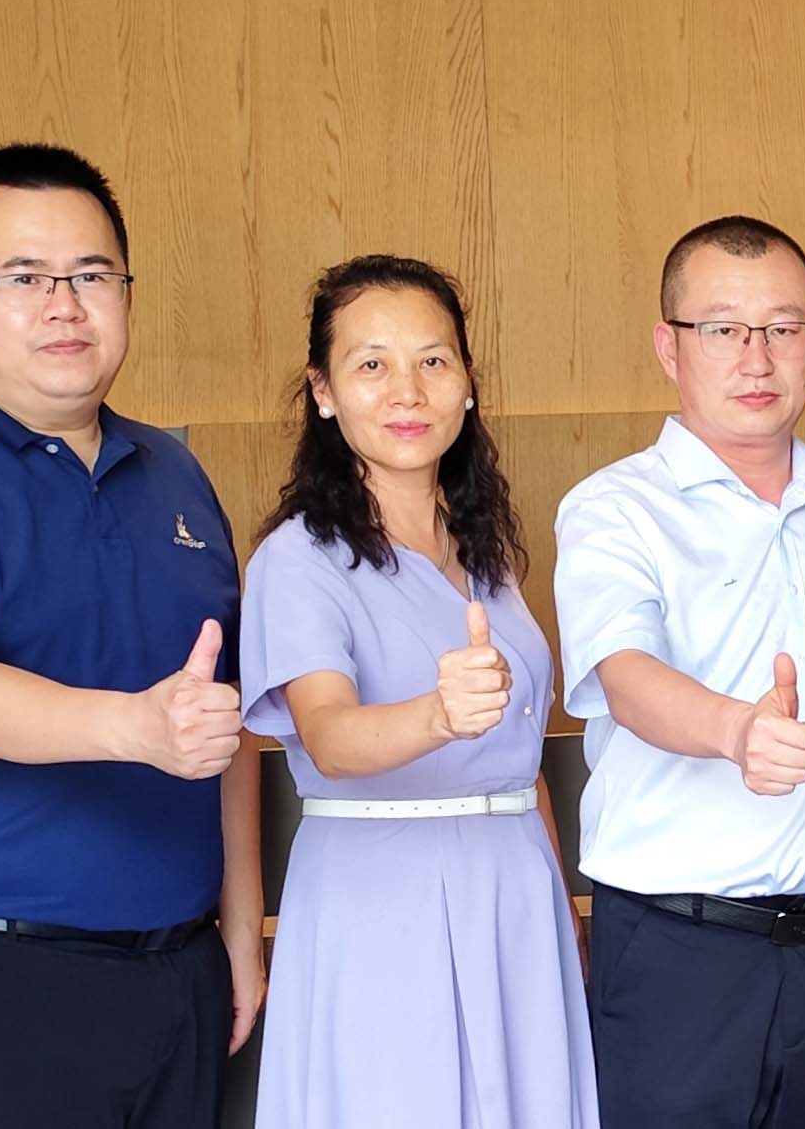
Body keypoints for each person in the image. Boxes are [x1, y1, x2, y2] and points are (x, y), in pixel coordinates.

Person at [0, 143, 264, 1127]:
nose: (64, 306)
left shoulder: (174, 476)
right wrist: (136, 728)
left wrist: (240, 929)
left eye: (92, 276)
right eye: (23, 278)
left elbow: (224, 721)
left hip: (180, 971)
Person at [555, 215, 805, 1127]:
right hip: (683, 952)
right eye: (723, 329)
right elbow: (624, 674)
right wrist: (736, 730)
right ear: (668, 346)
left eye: (783, 328)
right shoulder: (613, 508)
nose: (758, 358)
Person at [237, 255, 598, 1127]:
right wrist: (437, 715)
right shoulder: (298, 559)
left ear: (467, 383)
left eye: (433, 360)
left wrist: (558, 903)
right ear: (323, 391)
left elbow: (520, 761)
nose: (407, 390)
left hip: (514, 890)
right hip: (379, 898)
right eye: (372, 364)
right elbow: (328, 735)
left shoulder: (485, 553)